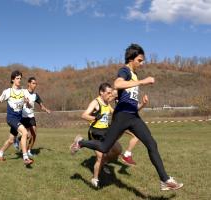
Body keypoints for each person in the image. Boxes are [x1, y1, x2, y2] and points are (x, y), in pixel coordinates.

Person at [70, 44, 183, 191]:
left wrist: (141, 104)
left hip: (133, 116)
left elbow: (127, 98)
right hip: (122, 116)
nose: (142, 64)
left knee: (151, 144)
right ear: (131, 59)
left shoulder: (134, 76)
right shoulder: (125, 70)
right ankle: (81, 143)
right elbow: (117, 84)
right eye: (140, 60)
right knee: (104, 147)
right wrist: (143, 82)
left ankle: (164, 179)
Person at [0, 70, 34, 166]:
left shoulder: (23, 92)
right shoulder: (8, 92)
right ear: (12, 79)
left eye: (20, 78)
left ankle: (0, 153)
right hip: (11, 118)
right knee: (24, 132)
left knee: (11, 140)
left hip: (19, 119)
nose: (19, 80)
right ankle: (25, 157)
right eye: (17, 78)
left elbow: (28, 105)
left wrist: (27, 103)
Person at [81, 82, 122, 188]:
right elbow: (84, 115)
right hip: (95, 132)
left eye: (110, 93)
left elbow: (114, 112)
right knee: (100, 156)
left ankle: (104, 163)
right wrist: (95, 118)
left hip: (105, 131)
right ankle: (95, 179)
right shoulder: (95, 102)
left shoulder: (107, 103)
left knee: (118, 149)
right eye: (108, 93)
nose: (110, 95)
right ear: (101, 92)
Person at [19, 77, 51, 157]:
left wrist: (46, 109)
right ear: (28, 83)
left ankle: (29, 150)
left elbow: (41, 106)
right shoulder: (23, 92)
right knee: (27, 135)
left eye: (35, 84)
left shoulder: (35, 95)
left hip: (31, 116)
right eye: (33, 83)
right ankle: (19, 140)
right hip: (22, 116)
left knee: (34, 134)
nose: (35, 85)